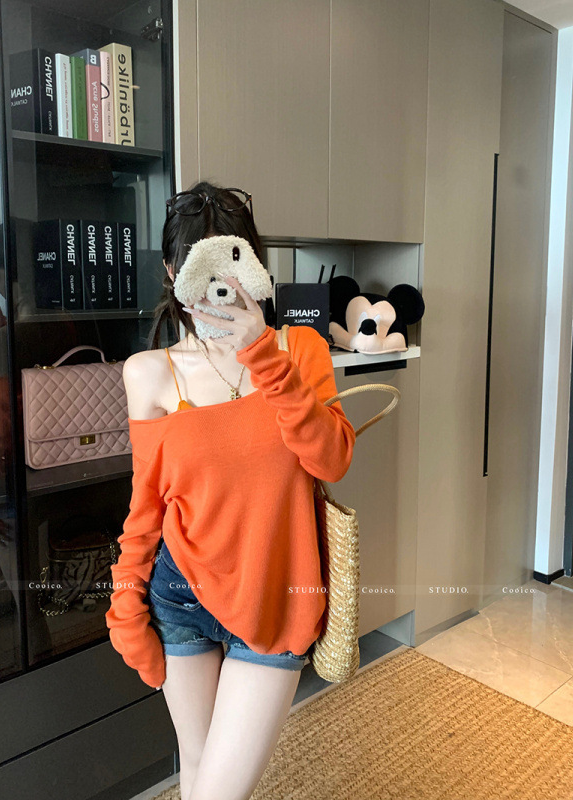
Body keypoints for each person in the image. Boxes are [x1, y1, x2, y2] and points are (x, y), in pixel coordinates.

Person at [105, 181, 355, 800]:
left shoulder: (298, 349)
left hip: (277, 594)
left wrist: (262, 355)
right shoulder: (150, 373)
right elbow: (146, 506)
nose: (221, 286)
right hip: (180, 596)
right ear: (174, 274)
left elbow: (332, 461)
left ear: (255, 267)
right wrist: (125, 603)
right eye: (202, 268)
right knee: (197, 772)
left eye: (234, 262)